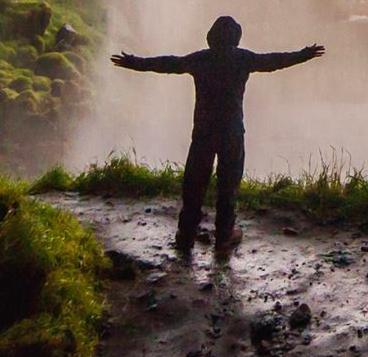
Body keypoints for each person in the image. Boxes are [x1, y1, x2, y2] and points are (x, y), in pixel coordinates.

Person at [110, 15, 324, 260]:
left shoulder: (201, 59)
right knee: (228, 185)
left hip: (202, 132)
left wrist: (133, 62)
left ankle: (185, 235)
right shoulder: (243, 59)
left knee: (194, 184)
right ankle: (223, 238)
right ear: (236, 38)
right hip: (232, 132)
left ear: (211, 38)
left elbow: (167, 64)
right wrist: (305, 54)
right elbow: (275, 61)